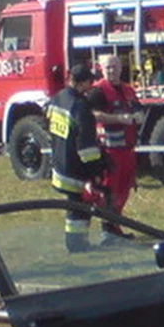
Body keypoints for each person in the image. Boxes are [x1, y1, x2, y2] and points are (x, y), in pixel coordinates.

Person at [48, 63, 109, 252]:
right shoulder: (81, 107)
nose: (91, 86)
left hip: (60, 163)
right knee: (79, 208)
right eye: (89, 82)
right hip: (75, 168)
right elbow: (87, 148)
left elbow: (48, 123)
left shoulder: (57, 98)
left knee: (73, 206)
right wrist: (97, 170)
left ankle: (75, 242)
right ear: (81, 83)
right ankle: (77, 244)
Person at [88, 53, 144, 234]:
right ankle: (108, 229)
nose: (112, 71)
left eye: (114, 67)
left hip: (127, 149)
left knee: (124, 189)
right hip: (109, 151)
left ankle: (115, 226)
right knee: (109, 191)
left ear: (121, 68)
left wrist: (138, 116)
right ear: (101, 70)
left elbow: (137, 108)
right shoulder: (97, 91)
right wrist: (117, 118)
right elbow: (93, 114)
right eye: (108, 68)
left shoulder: (128, 89)